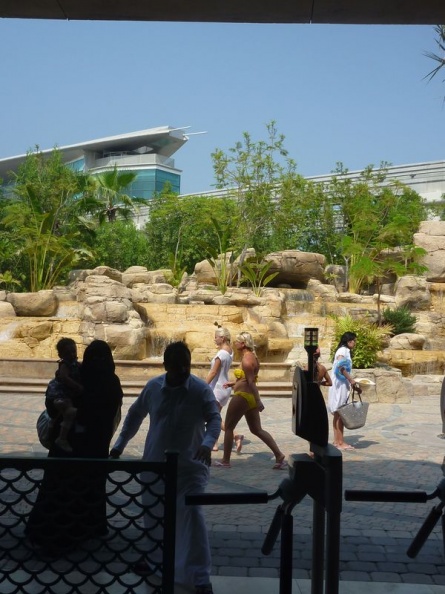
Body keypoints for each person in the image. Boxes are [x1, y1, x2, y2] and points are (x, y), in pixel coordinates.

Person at [110, 341, 221, 594]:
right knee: (153, 516)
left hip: (190, 467)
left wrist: (206, 443)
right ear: (166, 366)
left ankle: (201, 578)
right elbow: (135, 415)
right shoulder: (153, 387)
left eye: (186, 365)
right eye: (178, 366)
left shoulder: (200, 390)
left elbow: (214, 418)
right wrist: (118, 446)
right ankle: (154, 562)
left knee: (192, 519)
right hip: (155, 465)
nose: (183, 370)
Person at [25, 339, 123, 554]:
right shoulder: (109, 381)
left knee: (58, 490)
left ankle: (51, 531)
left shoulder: (79, 376)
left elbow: (53, 407)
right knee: (90, 488)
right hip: (94, 448)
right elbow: (111, 414)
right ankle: (90, 527)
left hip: (68, 448)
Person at [214, 332, 286, 470]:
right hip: (248, 396)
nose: (234, 344)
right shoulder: (252, 357)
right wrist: (233, 383)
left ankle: (225, 460)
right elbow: (247, 379)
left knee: (228, 427)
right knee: (256, 429)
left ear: (243, 344)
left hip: (243, 396)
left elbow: (251, 382)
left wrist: (259, 401)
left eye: (237, 342)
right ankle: (279, 455)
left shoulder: (247, 360)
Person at [205, 323, 243, 453]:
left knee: (213, 417)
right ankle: (215, 443)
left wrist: (204, 385)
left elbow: (213, 372)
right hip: (224, 386)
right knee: (215, 416)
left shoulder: (221, 353)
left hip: (217, 388)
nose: (214, 339)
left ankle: (235, 435)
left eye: (216, 337)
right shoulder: (230, 351)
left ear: (222, 338)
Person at [45, 337, 83, 453]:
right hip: (60, 393)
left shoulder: (75, 364)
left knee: (68, 412)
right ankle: (61, 438)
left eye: (74, 351)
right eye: (68, 353)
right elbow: (64, 377)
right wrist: (78, 386)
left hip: (67, 394)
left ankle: (56, 427)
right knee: (70, 411)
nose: (72, 355)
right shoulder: (64, 365)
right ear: (61, 354)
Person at [327, 332, 361, 451]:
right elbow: (341, 367)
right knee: (341, 413)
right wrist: (350, 379)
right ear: (349, 341)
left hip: (338, 383)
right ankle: (340, 442)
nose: (355, 343)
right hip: (340, 385)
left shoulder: (341, 350)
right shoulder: (343, 351)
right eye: (354, 341)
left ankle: (337, 441)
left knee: (337, 413)